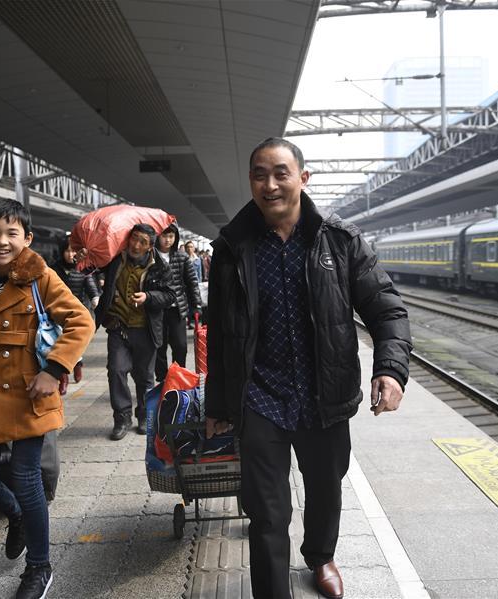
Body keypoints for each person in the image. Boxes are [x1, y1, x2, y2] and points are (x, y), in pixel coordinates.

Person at [204, 138, 412, 599]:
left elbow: (387, 310)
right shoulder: (232, 248)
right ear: (250, 181)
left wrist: (391, 369)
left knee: (325, 488)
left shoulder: (339, 240)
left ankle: (320, 555)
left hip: (324, 395)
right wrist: (217, 404)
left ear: (303, 177)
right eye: (260, 175)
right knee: (267, 511)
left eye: (281, 173)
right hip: (260, 397)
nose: (270, 185)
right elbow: (219, 332)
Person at [0, 199, 94, 599]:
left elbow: (81, 321)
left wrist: (54, 369)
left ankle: (39, 567)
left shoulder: (40, 277)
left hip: (28, 393)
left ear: (27, 238)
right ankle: (15, 515)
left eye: (12, 233)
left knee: (26, 477)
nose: (3, 241)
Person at [95, 223, 175, 440]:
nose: (136, 245)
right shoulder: (115, 259)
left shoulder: (160, 267)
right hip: (118, 327)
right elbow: (91, 266)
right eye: (134, 238)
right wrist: (85, 256)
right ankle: (122, 418)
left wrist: (148, 297)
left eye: (142, 242)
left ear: (150, 247)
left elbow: (170, 296)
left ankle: (144, 416)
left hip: (145, 330)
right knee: (116, 371)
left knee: (145, 377)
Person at [154, 223, 202, 382]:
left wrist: (196, 306)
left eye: (171, 236)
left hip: (177, 309)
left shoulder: (182, 257)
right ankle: (162, 380)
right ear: (158, 236)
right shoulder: (151, 256)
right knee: (159, 347)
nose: (167, 240)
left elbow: (192, 283)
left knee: (180, 346)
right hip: (157, 310)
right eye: (164, 236)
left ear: (176, 238)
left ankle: (178, 378)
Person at [51, 238, 100, 392]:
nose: (70, 254)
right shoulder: (53, 269)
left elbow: (90, 284)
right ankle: (63, 377)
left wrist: (95, 298)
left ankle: (77, 363)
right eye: (67, 251)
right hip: (58, 312)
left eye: (73, 251)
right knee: (59, 343)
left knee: (74, 341)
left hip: (77, 312)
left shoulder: (82, 267)